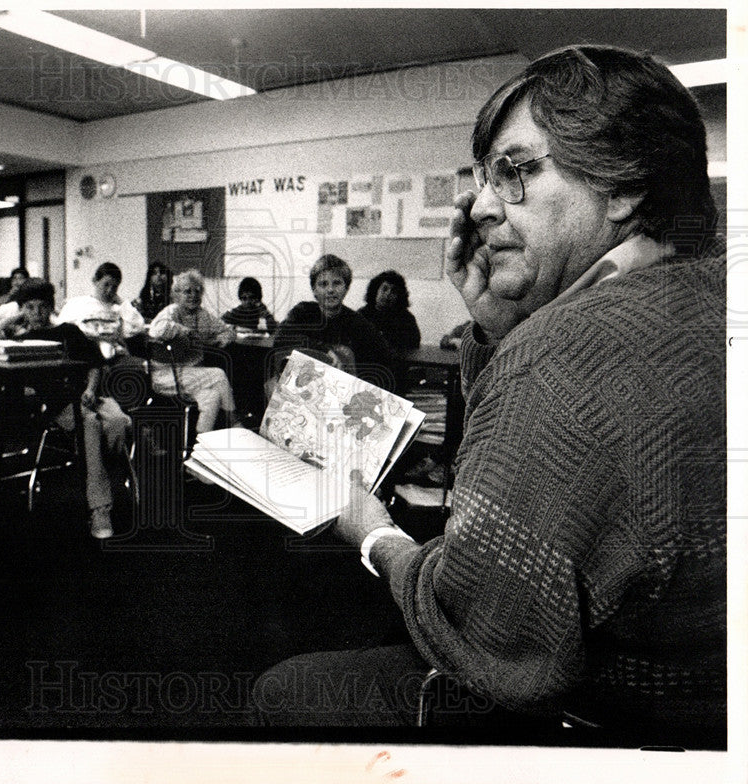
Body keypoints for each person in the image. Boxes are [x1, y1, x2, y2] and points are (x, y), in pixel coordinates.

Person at [254, 45, 724, 739]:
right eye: (483, 179)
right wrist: (501, 330)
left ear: (624, 185)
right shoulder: (713, 294)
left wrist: (373, 533)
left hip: (616, 720)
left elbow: (481, 632)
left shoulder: (559, 357)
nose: (477, 206)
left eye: (516, 172)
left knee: (281, 690)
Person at [12, 280, 132, 540]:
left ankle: (97, 464)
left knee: (120, 422)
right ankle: (100, 508)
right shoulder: (20, 342)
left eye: (42, 307)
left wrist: (90, 389)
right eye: (29, 308)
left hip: (90, 396)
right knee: (90, 423)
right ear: (22, 311)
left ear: (51, 307)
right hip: (60, 405)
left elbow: (94, 365)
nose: (36, 313)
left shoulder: (68, 331)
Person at [273, 254, 394, 386]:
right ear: (314, 290)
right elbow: (281, 337)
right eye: (323, 284)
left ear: (346, 288)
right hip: (302, 390)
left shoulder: (357, 322)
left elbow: (384, 355)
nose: (330, 290)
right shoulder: (302, 312)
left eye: (337, 283)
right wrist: (325, 352)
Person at [148, 270, 237, 433]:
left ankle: (199, 445)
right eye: (187, 291)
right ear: (176, 294)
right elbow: (155, 330)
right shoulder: (171, 311)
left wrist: (223, 338)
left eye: (197, 291)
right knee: (218, 375)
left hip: (193, 376)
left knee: (213, 397)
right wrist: (183, 331)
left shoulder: (203, 315)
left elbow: (227, 331)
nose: (193, 295)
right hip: (166, 375)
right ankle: (235, 422)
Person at [56, 262, 146, 360]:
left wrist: (122, 303)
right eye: (106, 285)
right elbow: (61, 329)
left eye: (114, 287)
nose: (109, 290)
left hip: (113, 356)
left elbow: (138, 326)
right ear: (95, 281)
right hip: (84, 354)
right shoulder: (77, 304)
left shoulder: (119, 309)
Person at [357, 270, 421, 355]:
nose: (388, 294)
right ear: (375, 290)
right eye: (384, 289)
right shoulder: (361, 315)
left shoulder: (406, 318)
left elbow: (414, 345)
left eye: (393, 291)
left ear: (399, 296)